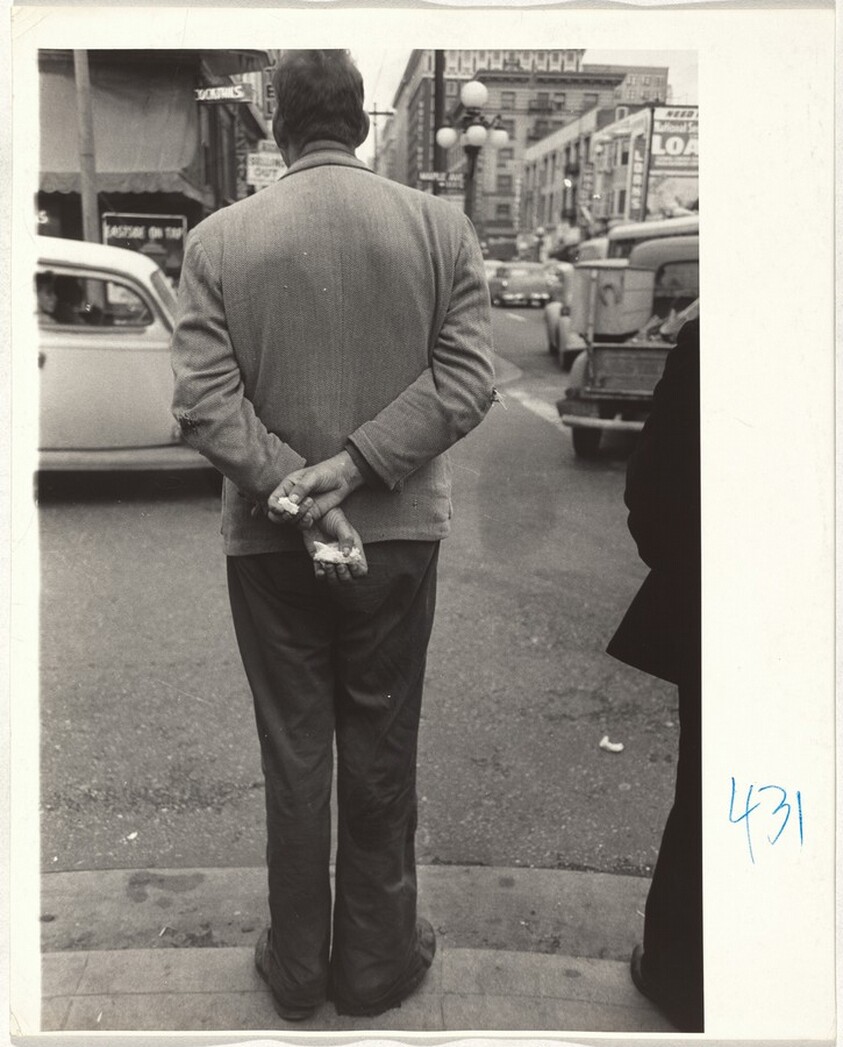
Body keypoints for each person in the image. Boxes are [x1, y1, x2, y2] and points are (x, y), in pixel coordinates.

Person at [170, 50, 495, 1023]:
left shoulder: (219, 241)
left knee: (296, 753)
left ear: (276, 123)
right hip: (397, 536)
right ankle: (375, 962)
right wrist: (355, 470)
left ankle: (299, 965)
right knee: (382, 745)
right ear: (359, 121)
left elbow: (202, 403)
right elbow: (469, 379)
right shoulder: (441, 228)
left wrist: (297, 488)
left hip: (269, 549)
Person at [606, 317, 702, 1032]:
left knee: (710, 792)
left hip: (736, 601)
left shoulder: (722, 333)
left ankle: (684, 973)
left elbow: (656, 489)